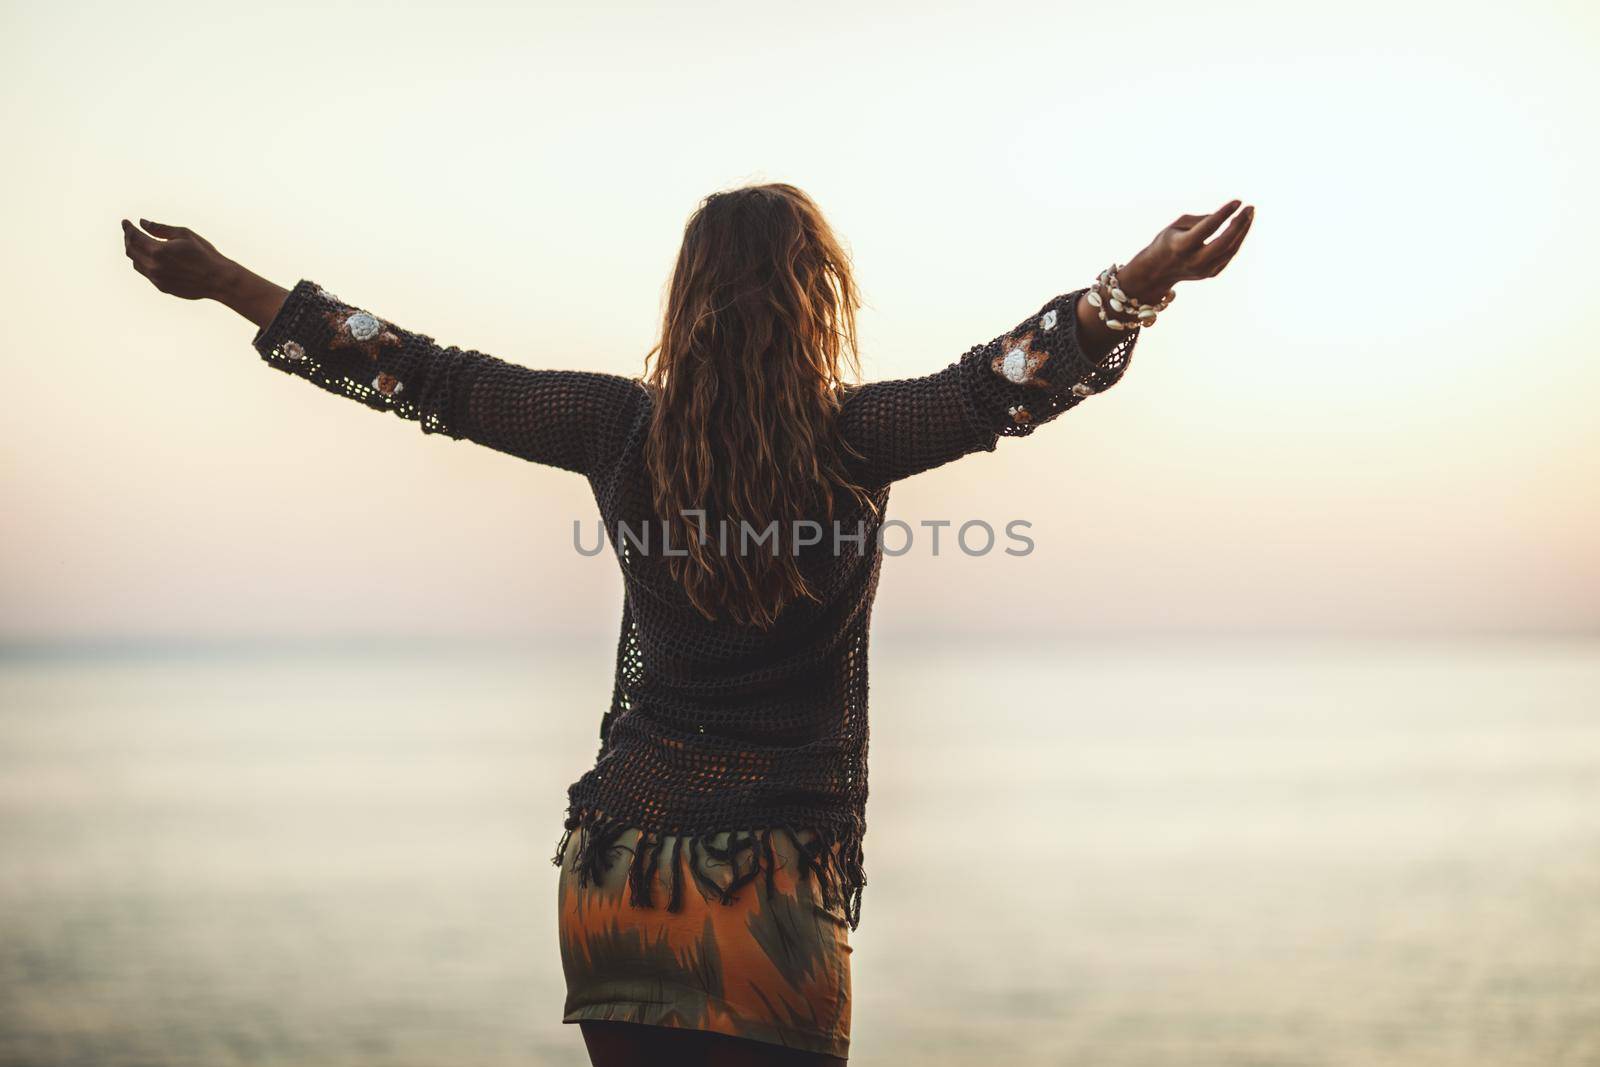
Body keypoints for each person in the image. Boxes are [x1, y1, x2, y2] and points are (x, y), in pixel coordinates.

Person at [122, 185, 1253, 1066]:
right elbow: (1004, 382)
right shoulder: (857, 437)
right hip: (768, 883)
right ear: (821, 297)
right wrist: (1137, 284)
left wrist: (227, 278)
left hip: (618, 869)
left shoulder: (615, 427)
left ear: (685, 298)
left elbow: (428, 374)